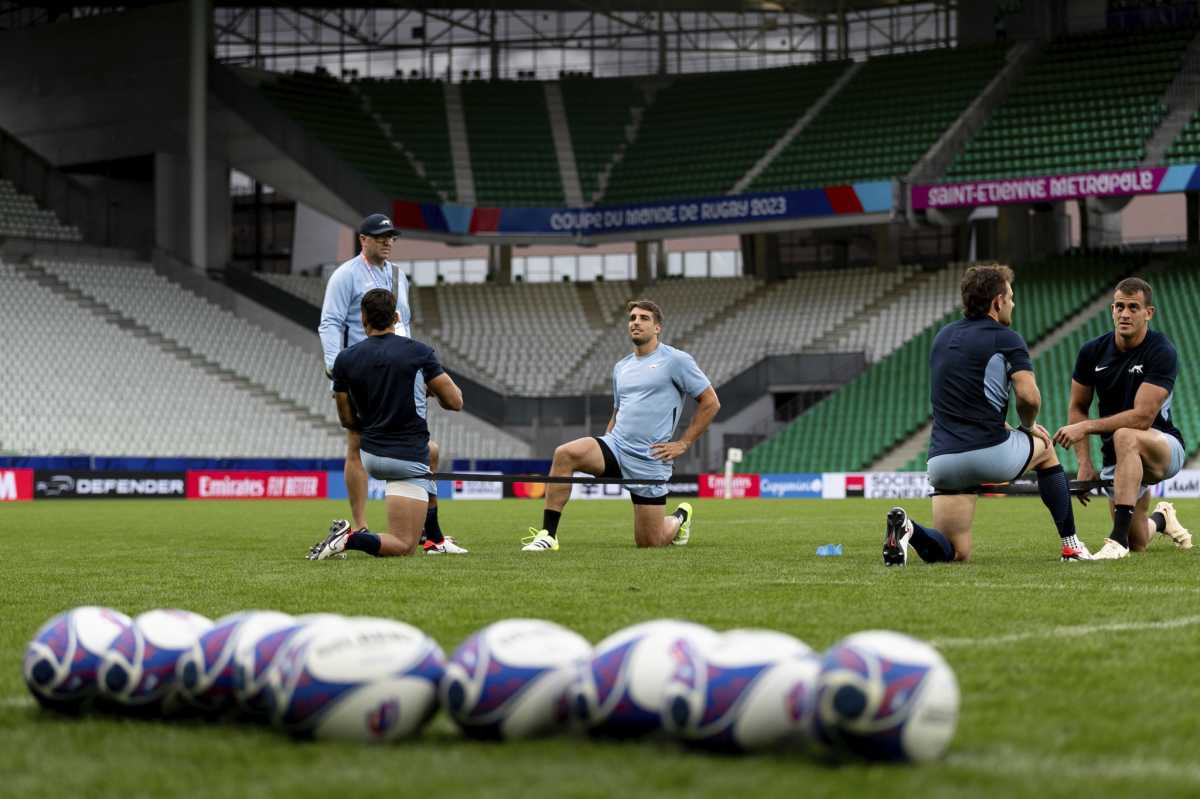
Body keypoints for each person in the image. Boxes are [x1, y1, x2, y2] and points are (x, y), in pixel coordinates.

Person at [885, 264, 1090, 565]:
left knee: (954, 553)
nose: (1013, 304)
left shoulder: (943, 337)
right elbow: (1029, 396)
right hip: (990, 453)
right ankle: (1071, 545)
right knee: (1046, 449)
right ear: (997, 302)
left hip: (943, 461)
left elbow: (962, 394)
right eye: (1011, 297)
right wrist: (1027, 426)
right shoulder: (1006, 337)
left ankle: (909, 529)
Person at [521, 299, 720, 551]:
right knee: (565, 453)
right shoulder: (621, 367)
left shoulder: (676, 360)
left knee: (650, 542)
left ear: (657, 327)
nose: (636, 322)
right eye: (632, 318)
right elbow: (618, 410)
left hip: (650, 458)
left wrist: (684, 443)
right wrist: (606, 447)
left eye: (644, 318)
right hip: (616, 446)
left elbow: (711, 402)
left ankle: (680, 517)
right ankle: (548, 535)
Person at [318, 213, 458, 553]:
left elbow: (405, 323)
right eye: (380, 237)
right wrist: (336, 367)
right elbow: (330, 323)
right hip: (361, 371)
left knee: (423, 445)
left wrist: (415, 369)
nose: (388, 242)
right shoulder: (345, 275)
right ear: (363, 240)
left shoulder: (398, 276)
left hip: (400, 371)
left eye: (391, 237)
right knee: (356, 442)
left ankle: (432, 534)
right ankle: (360, 524)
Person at [1052, 277, 1191, 560]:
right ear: (1112, 310)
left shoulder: (1161, 350)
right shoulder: (1092, 351)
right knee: (1138, 539)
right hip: (1119, 457)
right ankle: (1162, 518)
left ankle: (1116, 542)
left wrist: (1087, 427)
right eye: (1119, 307)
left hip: (1162, 448)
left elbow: (1142, 418)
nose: (1124, 313)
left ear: (1148, 313)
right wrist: (1084, 462)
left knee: (1126, 434)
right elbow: (1078, 406)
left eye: (1133, 307)